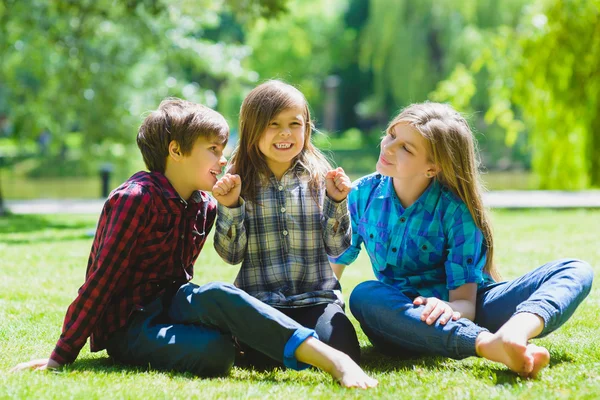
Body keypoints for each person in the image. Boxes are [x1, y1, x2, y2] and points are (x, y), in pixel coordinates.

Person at [11, 98, 377, 389]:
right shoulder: (134, 198)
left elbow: (190, 279)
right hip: (131, 322)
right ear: (175, 151)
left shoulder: (202, 205)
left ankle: (335, 360)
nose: (223, 160)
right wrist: (62, 355)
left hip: (174, 301)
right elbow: (101, 280)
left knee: (219, 293)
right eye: (214, 150)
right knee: (217, 354)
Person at [330, 102, 594, 378]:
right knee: (364, 295)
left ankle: (515, 332)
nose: (388, 147)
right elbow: (333, 272)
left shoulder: (456, 210)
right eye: (392, 135)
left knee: (576, 270)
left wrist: (448, 307)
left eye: (406, 148)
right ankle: (489, 344)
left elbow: (466, 305)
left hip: (463, 312)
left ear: (433, 168)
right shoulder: (361, 194)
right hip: (402, 317)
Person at [212, 80, 361, 366]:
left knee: (344, 349)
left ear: (307, 128)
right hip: (261, 303)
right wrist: (230, 206)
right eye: (273, 124)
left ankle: (299, 348)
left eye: (294, 124)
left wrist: (336, 201)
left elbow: (337, 247)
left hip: (316, 299)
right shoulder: (237, 180)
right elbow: (231, 256)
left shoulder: (320, 178)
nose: (285, 133)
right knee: (255, 357)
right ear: (252, 128)